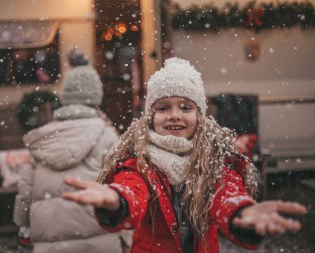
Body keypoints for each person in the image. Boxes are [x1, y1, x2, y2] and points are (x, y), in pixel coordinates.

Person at [62, 57, 307, 253]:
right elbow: (131, 189)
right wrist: (117, 199)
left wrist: (241, 212)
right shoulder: (140, 162)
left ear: (200, 117)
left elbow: (227, 192)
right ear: (150, 117)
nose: (174, 115)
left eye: (186, 107)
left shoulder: (213, 162)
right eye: (163, 108)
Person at [13, 49, 123, 253]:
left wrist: (23, 223)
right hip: (100, 239)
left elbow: (26, 187)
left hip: (51, 241)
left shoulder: (43, 137)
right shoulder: (107, 135)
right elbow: (120, 186)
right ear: (97, 98)